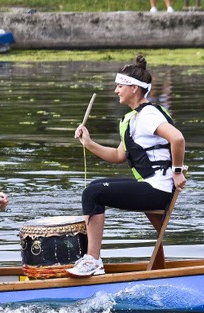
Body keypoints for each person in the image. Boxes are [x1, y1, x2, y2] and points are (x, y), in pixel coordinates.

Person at [68, 54, 186, 277]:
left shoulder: (148, 114)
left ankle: (93, 260)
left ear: (134, 88)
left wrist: (177, 171)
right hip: (151, 187)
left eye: (120, 86)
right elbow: (118, 155)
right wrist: (88, 143)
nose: (116, 90)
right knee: (94, 188)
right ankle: (91, 259)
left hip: (158, 189)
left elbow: (177, 138)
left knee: (93, 193)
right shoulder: (132, 119)